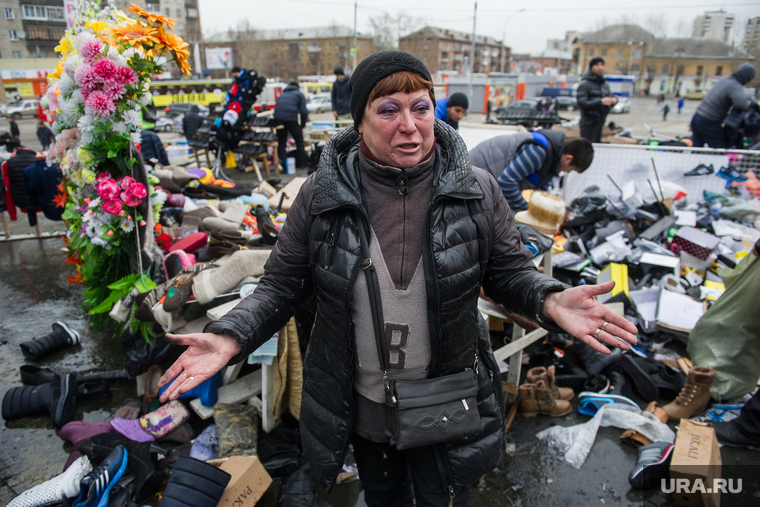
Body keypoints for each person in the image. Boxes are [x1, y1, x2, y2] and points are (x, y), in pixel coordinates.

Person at [157, 50, 638, 506]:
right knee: (384, 496)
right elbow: (281, 283)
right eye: (388, 110)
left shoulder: (476, 189)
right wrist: (230, 335)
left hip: (445, 399)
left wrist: (549, 299)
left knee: (442, 496)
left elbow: (509, 273)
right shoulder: (322, 195)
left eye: (421, 108)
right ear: (360, 122)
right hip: (364, 402)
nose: (409, 126)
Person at [469, 131, 594, 212]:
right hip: (473, 176)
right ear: (568, 159)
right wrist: (528, 211)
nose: (567, 172)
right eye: (572, 169)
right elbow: (506, 183)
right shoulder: (538, 151)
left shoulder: (552, 159)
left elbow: (542, 191)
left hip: (487, 180)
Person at [690, 63, 756, 149]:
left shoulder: (725, 79)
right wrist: (748, 103)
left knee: (697, 146)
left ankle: (696, 160)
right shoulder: (734, 85)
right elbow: (742, 104)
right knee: (719, 148)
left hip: (697, 117)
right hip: (709, 121)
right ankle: (719, 162)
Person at [577, 57, 618, 143]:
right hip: (588, 124)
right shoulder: (585, 84)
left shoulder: (604, 84)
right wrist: (600, 102)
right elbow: (582, 103)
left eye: (602, 65)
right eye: (597, 65)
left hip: (601, 121)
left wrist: (613, 101)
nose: (600, 68)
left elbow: (608, 97)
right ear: (591, 67)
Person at [273, 81, 309, 170]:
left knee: (282, 143)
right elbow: (304, 112)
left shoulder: (282, 94)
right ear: (298, 88)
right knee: (299, 141)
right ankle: (302, 164)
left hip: (278, 120)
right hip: (291, 119)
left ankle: (285, 166)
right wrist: (302, 126)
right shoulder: (299, 94)